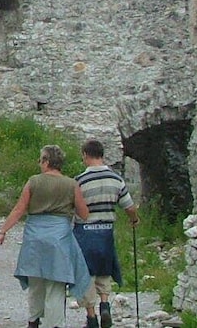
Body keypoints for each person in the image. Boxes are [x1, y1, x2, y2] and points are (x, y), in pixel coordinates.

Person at [0, 145, 92, 328]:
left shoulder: (34, 182)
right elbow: (84, 214)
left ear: (47, 161)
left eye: (41, 160)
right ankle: (54, 324)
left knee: (35, 282)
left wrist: (3, 230)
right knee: (56, 284)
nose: (39, 163)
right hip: (59, 238)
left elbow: (19, 209)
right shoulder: (71, 184)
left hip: (35, 238)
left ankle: (33, 320)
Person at [73, 140, 140, 328]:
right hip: (106, 232)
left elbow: (75, 208)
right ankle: (105, 304)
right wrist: (134, 219)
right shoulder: (116, 179)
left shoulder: (79, 181)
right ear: (102, 155)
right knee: (104, 270)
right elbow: (129, 206)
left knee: (86, 274)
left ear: (86, 155)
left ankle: (91, 316)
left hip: (85, 233)